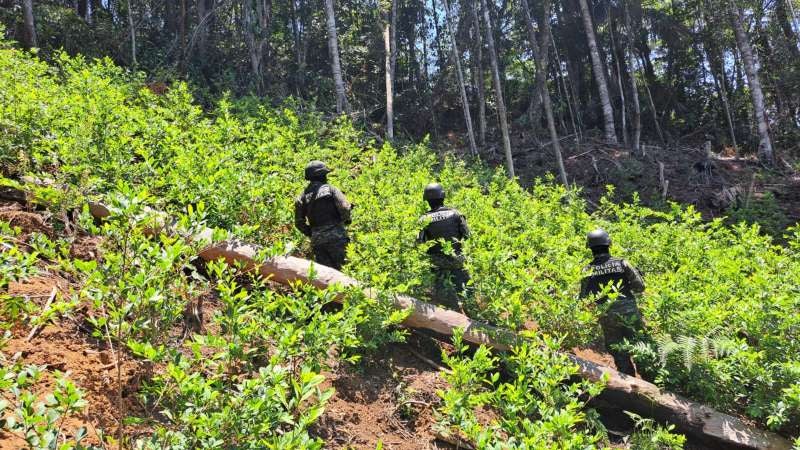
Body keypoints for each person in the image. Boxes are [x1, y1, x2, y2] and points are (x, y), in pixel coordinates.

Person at [579, 228, 646, 376]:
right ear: (609, 244)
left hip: (606, 316)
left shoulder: (587, 270)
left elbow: (583, 299)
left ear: (590, 248)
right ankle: (650, 380)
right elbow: (640, 287)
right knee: (641, 346)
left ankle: (628, 383)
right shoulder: (622, 263)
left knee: (618, 351)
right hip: (630, 314)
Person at [417, 183, 470, 310]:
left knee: (443, 298)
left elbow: (420, 242)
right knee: (467, 291)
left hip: (437, 264)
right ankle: (473, 312)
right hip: (457, 259)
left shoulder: (423, 219)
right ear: (443, 197)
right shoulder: (456, 213)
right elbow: (467, 235)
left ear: (427, 200)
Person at [294, 161, 352, 270]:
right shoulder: (331, 189)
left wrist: (312, 233)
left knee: (327, 276)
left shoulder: (302, 197)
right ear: (322, 175)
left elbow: (299, 223)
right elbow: (345, 207)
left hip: (318, 242)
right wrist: (346, 220)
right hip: (337, 238)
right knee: (346, 271)